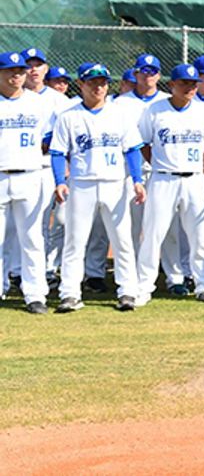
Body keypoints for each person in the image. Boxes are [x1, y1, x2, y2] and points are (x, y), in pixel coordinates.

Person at [48, 63, 146, 312]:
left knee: (122, 240)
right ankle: (70, 293)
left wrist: (137, 180)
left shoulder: (119, 114)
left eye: (102, 82)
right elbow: (58, 152)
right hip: (81, 184)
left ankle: (128, 292)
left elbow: (133, 150)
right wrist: (60, 181)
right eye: (92, 82)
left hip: (114, 183)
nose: (98, 87)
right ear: (81, 84)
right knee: (75, 241)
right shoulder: (69, 116)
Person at [136, 63, 204, 306]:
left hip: (194, 179)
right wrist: (158, 163)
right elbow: (142, 143)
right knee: (153, 234)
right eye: (184, 83)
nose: (189, 88)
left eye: (193, 83)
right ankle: (144, 287)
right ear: (172, 84)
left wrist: (201, 172)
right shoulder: (155, 110)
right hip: (163, 177)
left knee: (200, 234)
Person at [0, 51, 54, 313]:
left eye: (19, 71)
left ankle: (35, 295)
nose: (16, 75)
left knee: (32, 237)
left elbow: (48, 138)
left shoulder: (37, 103)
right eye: (10, 70)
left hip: (30, 175)